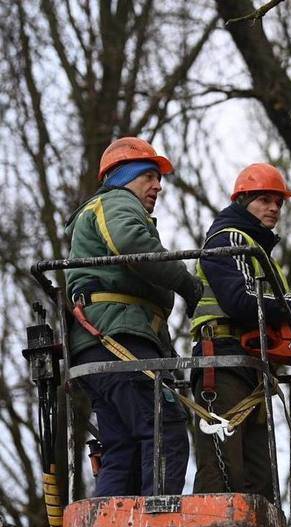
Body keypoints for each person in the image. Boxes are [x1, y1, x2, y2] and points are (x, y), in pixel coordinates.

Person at [64, 137, 203, 497]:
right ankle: (154, 524)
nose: (158, 186)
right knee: (165, 427)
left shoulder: (108, 209)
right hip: (114, 337)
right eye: (149, 177)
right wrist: (188, 285)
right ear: (125, 176)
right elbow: (132, 245)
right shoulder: (116, 202)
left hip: (103, 341)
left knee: (123, 447)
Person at [190, 163, 291, 497]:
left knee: (260, 480)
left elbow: (274, 313)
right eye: (264, 200)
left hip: (252, 366)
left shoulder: (260, 253)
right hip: (221, 361)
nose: (273, 208)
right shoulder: (228, 240)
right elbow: (243, 301)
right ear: (243, 202)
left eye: (278, 202)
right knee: (224, 471)